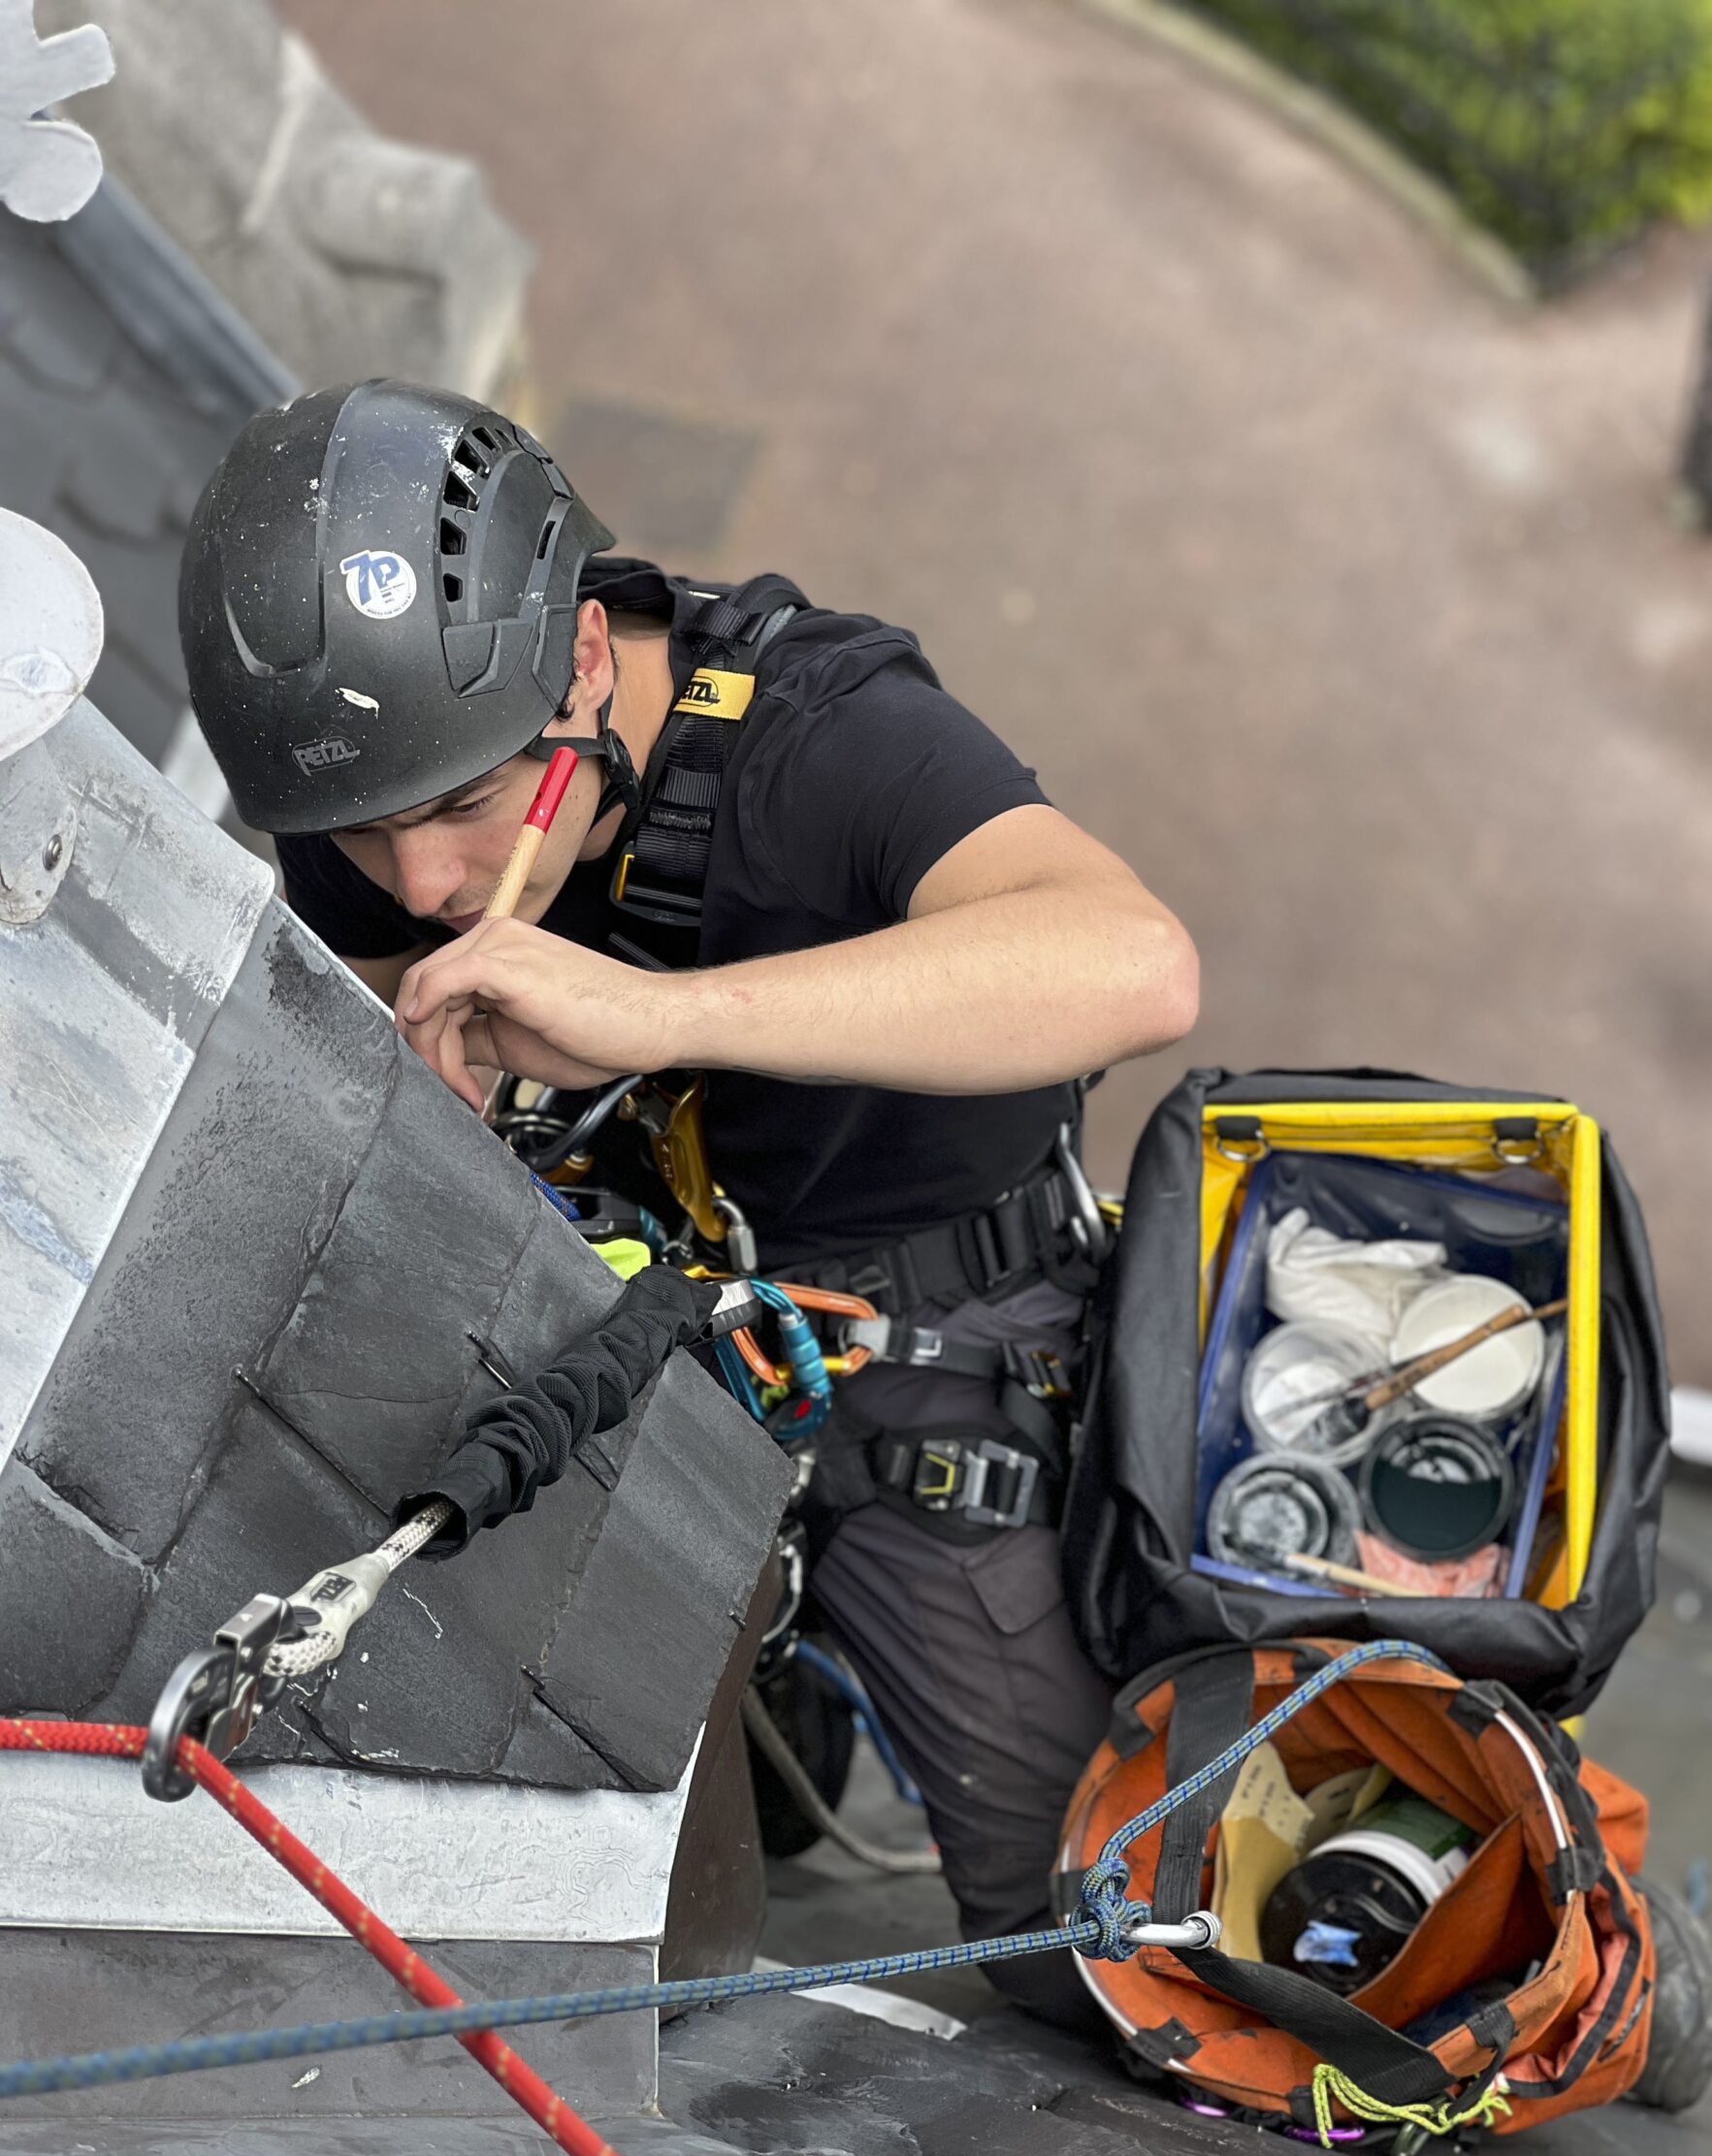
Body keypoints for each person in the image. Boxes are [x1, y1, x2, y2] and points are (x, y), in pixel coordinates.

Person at [179, 380, 1199, 2024]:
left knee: (1082, 1949)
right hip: (630, 1297)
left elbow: (1137, 964)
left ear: (586, 658)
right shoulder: (379, 776)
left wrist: (660, 1015)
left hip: (922, 1337)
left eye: (463, 809)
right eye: (366, 837)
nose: (424, 883)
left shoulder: (827, 736)